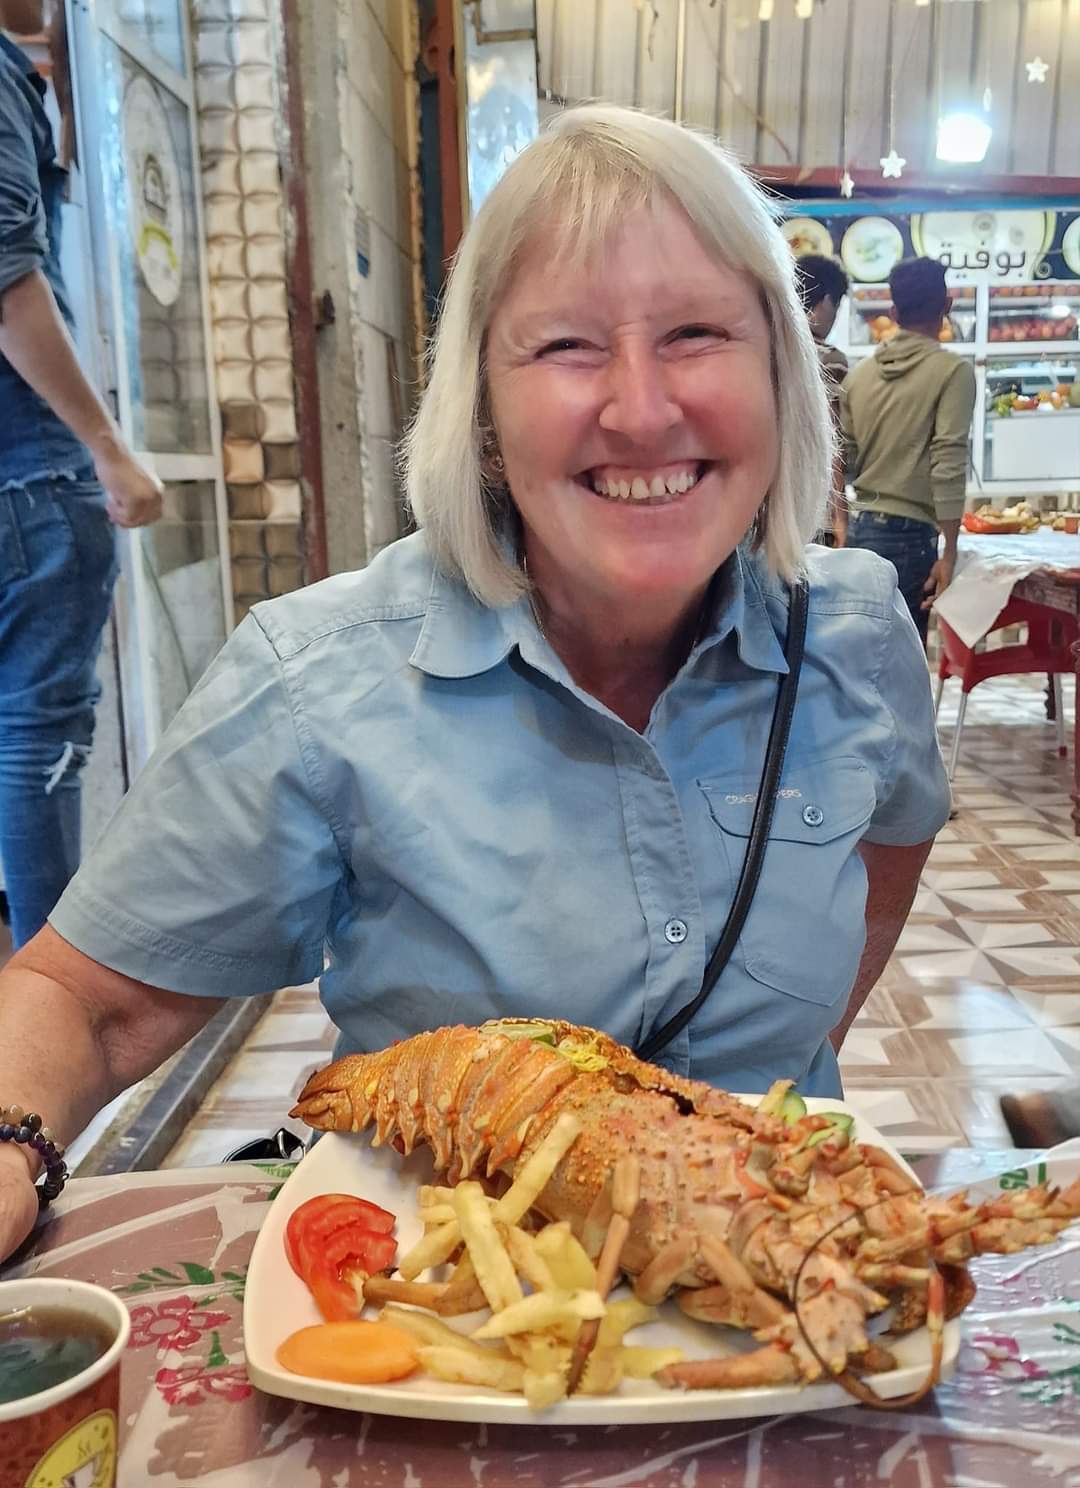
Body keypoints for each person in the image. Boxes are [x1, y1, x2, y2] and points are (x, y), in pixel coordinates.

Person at [0, 104, 950, 1262]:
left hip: (769, 1282)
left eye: (699, 332)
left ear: (782, 378)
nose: (644, 409)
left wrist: (773, 1090)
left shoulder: (857, 636)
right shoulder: (319, 682)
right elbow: (85, 1004)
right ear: (486, 416)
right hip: (459, 1325)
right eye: (566, 346)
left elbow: (890, 851)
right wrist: (10, 1145)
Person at [0, 0, 163, 949]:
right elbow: (9, 279)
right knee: (35, 737)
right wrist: (105, 444)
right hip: (27, 474)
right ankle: (47, 1009)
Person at [839, 256, 975, 644]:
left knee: (861, 663)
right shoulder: (953, 373)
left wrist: (845, 524)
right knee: (901, 670)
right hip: (911, 535)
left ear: (894, 311)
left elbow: (843, 459)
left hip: (862, 534)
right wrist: (949, 552)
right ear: (946, 306)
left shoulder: (859, 375)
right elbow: (948, 460)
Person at [795, 253, 849, 547]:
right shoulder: (830, 360)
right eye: (836, 305)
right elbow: (832, 443)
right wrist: (840, 517)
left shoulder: (763, 349)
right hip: (812, 511)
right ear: (825, 300)